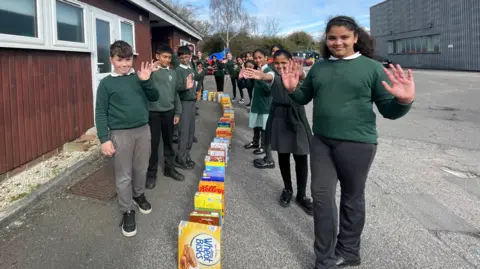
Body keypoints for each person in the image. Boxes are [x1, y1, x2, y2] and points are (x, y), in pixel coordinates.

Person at [280, 16, 415, 269]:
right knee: (321, 197)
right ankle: (325, 260)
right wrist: (291, 89)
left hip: (357, 144)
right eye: (332, 37)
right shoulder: (319, 68)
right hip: (321, 141)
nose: (338, 42)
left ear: (356, 38)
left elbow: (389, 110)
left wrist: (404, 102)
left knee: (352, 199)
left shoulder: (371, 68)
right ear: (326, 40)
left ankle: (350, 251)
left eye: (344, 37)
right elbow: (302, 97)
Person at [95, 40, 159, 237]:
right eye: (119, 60)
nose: (124, 64)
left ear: (133, 59)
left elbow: (154, 97)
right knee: (124, 174)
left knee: (141, 168)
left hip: (142, 130)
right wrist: (104, 138)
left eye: (128, 60)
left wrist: (147, 81)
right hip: (120, 134)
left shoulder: (139, 77)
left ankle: (138, 194)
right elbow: (101, 112)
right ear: (111, 60)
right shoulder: (106, 83)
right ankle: (127, 209)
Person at [266, 49, 313, 215]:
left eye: (283, 63)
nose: (280, 66)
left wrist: (303, 76)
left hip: (297, 117)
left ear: (290, 61)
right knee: (283, 155)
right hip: (279, 116)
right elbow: (267, 78)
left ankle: (302, 195)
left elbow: (309, 89)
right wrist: (259, 76)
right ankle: (287, 189)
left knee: (301, 156)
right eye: (277, 63)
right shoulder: (272, 75)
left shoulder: (300, 73)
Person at [147, 45, 185, 188]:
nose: (167, 60)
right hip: (154, 113)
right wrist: (150, 72)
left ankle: (170, 169)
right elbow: (144, 87)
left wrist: (178, 111)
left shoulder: (173, 73)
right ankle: (151, 174)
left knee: (169, 142)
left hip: (169, 112)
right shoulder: (151, 72)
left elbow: (175, 94)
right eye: (164, 56)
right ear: (157, 57)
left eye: (169, 57)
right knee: (154, 144)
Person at [243, 49, 275, 169]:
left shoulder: (269, 71)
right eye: (255, 58)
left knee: (265, 132)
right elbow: (252, 89)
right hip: (256, 104)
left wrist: (260, 79)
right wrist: (247, 78)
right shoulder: (256, 71)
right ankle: (256, 143)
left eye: (260, 57)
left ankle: (269, 158)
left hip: (265, 106)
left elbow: (269, 91)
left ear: (266, 57)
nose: (257, 60)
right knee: (256, 126)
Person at [175, 46, 199, 170]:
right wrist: (185, 86)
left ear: (190, 55)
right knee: (183, 132)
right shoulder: (178, 70)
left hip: (192, 102)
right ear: (178, 58)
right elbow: (176, 88)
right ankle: (180, 158)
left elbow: (195, 81)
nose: (185, 59)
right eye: (182, 57)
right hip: (184, 103)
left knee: (191, 131)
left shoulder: (191, 66)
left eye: (187, 56)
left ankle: (187, 154)